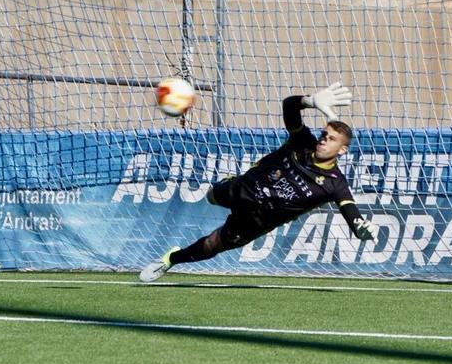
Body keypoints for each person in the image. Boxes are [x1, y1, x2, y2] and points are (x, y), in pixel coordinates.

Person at [140, 82, 377, 282]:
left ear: (342, 150)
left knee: (213, 245)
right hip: (245, 188)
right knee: (211, 196)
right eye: (324, 134)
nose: (324, 140)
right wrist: (310, 101)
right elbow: (289, 106)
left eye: (331, 139)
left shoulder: (335, 183)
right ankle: (228, 185)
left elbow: (350, 211)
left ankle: (171, 259)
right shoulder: (303, 142)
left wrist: (359, 228)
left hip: (259, 220)